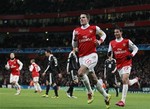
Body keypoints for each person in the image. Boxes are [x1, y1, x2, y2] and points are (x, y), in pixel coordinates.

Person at [72, 13, 111, 108]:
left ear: (88, 19)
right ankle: (106, 96)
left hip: (92, 55)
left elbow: (104, 34)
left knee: (80, 73)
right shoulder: (76, 31)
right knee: (93, 79)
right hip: (81, 58)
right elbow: (74, 46)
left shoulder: (94, 28)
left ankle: (89, 92)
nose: (81, 19)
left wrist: (99, 41)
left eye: (83, 17)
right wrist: (75, 38)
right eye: (80, 18)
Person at [108, 26, 139, 107]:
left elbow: (136, 48)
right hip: (119, 65)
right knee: (127, 82)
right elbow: (109, 52)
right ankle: (135, 80)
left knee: (124, 80)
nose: (116, 33)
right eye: (115, 32)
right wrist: (109, 56)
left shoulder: (127, 41)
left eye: (117, 32)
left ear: (121, 32)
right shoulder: (111, 43)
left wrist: (131, 55)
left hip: (127, 62)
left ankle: (122, 101)